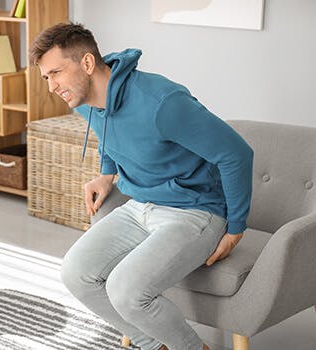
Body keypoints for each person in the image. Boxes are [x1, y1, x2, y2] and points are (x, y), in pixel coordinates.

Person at [29, 22, 254, 350]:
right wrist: (107, 174)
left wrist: (236, 227)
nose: (52, 86)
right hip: (139, 205)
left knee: (125, 290)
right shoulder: (81, 100)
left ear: (88, 63)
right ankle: (156, 345)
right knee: (75, 273)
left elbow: (236, 154)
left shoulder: (161, 102)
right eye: (47, 77)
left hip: (195, 209)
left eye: (56, 73)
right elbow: (108, 133)